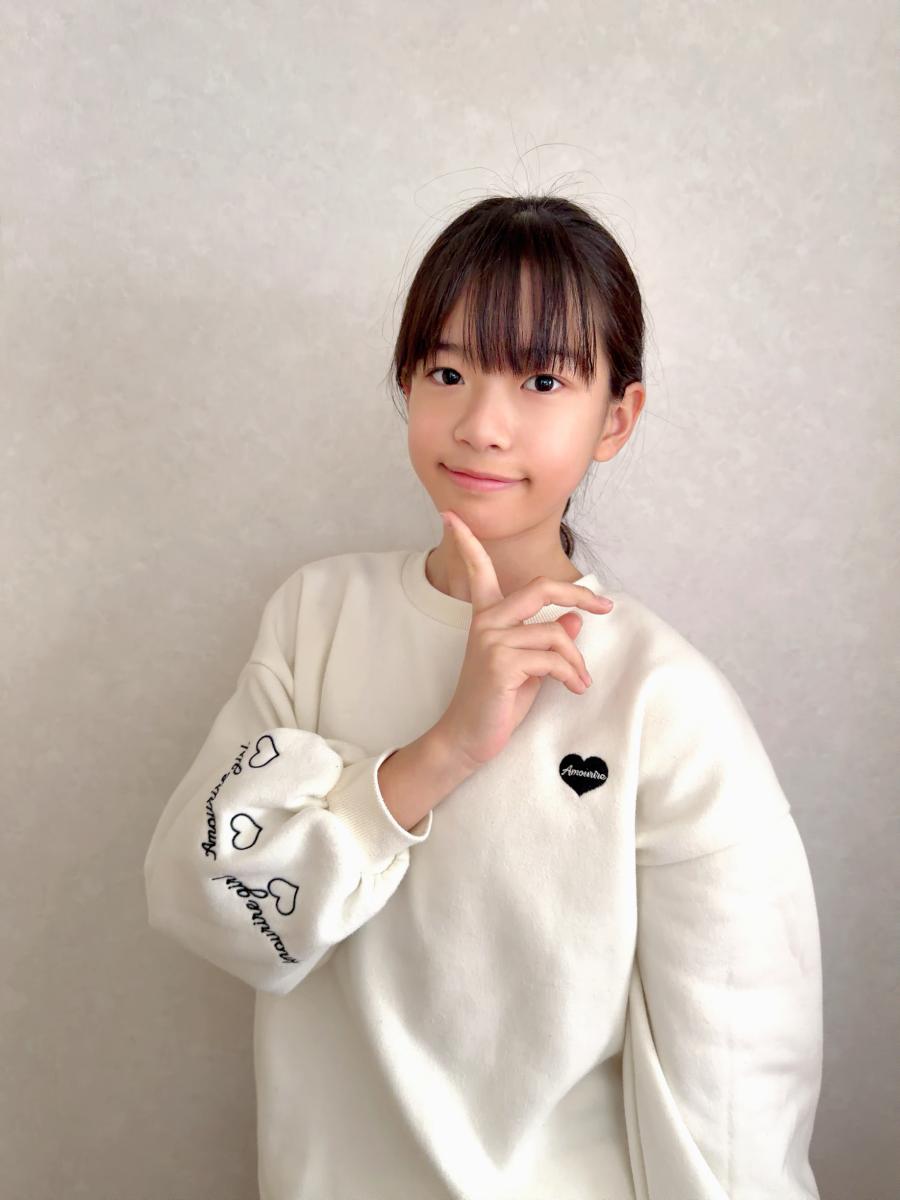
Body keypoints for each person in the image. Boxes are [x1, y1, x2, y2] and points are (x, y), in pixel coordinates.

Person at [143, 194, 823, 1199]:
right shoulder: (315, 616)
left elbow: (735, 1086)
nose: (480, 426)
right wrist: (442, 751)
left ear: (616, 417)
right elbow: (203, 901)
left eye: (542, 381)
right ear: (406, 384)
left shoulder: (662, 698)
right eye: (447, 372)